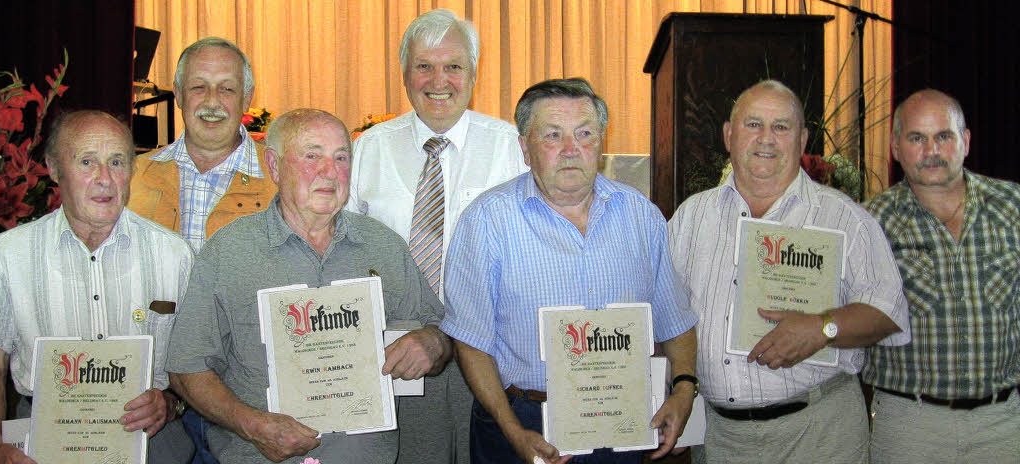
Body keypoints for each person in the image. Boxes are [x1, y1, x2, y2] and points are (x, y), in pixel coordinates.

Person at [164, 109, 452, 464]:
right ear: (274, 166)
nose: (329, 172)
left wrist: (433, 343)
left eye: (341, 158)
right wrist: (253, 426)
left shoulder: (384, 246)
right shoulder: (228, 251)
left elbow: (439, 330)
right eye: (312, 156)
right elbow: (186, 367)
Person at [440, 78, 699, 464]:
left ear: (601, 142)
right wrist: (512, 429)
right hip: (522, 421)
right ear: (525, 148)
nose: (570, 149)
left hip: (622, 419)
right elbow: (471, 344)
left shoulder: (641, 216)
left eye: (584, 134)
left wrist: (683, 390)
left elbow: (674, 320)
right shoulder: (486, 221)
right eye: (552, 135)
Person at [666, 80, 911, 463]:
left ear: (802, 140)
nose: (766, 138)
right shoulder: (691, 217)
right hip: (719, 439)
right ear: (729, 135)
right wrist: (674, 392)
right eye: (753, 124)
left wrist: (822, 328)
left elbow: (887, 313)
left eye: (781, 127)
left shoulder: (844, 218)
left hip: (819, 435)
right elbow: (668, 318)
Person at [348, 9, 527, 463]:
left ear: (474, 73)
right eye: (424, 66)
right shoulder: (367, 148)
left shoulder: (513, 147)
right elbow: (341, 249)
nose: (439, 80)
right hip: (395, 357)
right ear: (404, 74)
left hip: (490, 355)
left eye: (453, 66)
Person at [0, 110, 195, 463]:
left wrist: (169, 403)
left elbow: (193, 365)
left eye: (117, 162)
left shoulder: (174, 255)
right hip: (43, 434)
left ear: (131, 170)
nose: (104, 178)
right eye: (87, 162)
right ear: (54, 169)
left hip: (149, 434)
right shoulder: (8, 255)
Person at [863, 89, 1020, 462]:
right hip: (909, 427)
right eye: (917, 138)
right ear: (895, 147)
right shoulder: (869, 223)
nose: (931, 150)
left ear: (965, 141)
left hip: (1003, 423)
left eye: (943, 136)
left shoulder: (1013, 207)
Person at [129, 36, 277, 254]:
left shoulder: (282, 179)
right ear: (178, 94)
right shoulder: (131, 177)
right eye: (198, 87)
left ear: (247, 98)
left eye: (227, 89)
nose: (212, 101)